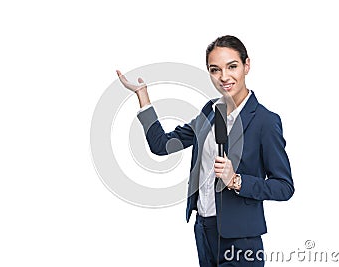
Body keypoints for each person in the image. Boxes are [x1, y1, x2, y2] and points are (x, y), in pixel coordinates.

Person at [116, 35, 294, 267]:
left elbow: (284, 187)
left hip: (241, 239)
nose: (224, 77)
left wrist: (236, 181)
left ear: (246, 65)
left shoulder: (265, 121)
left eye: (232, 66)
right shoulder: (209, 111)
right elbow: (162, 145)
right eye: (215, 69)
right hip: (204, 229)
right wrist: (143, 96)